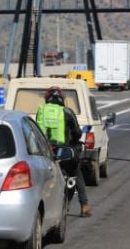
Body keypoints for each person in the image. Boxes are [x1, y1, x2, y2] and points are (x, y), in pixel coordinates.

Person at [36, 86, 91, 217]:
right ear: (61, 99)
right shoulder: (67, 112)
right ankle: (84, 206)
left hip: (45, 153)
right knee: (76, 173)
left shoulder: (40, 111)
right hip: (64, 152)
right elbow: (77, 133)